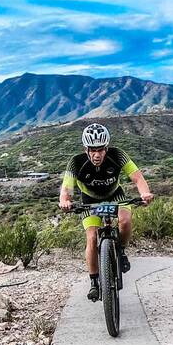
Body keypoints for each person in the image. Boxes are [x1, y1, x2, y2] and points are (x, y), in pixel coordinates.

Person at [59, 123, 153, 301]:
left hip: (115, 196)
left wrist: (144, 193)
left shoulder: (117, 155)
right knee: (92, 237)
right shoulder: (76, 162)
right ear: (86, 149)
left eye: (101, 150)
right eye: (93, 150)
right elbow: (67, 188)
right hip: (90, 201)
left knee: (125, 221)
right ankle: (94, 282)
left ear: (106, 148)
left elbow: (137, 177)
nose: (97, 154)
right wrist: (65, 201)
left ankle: (122, 251)